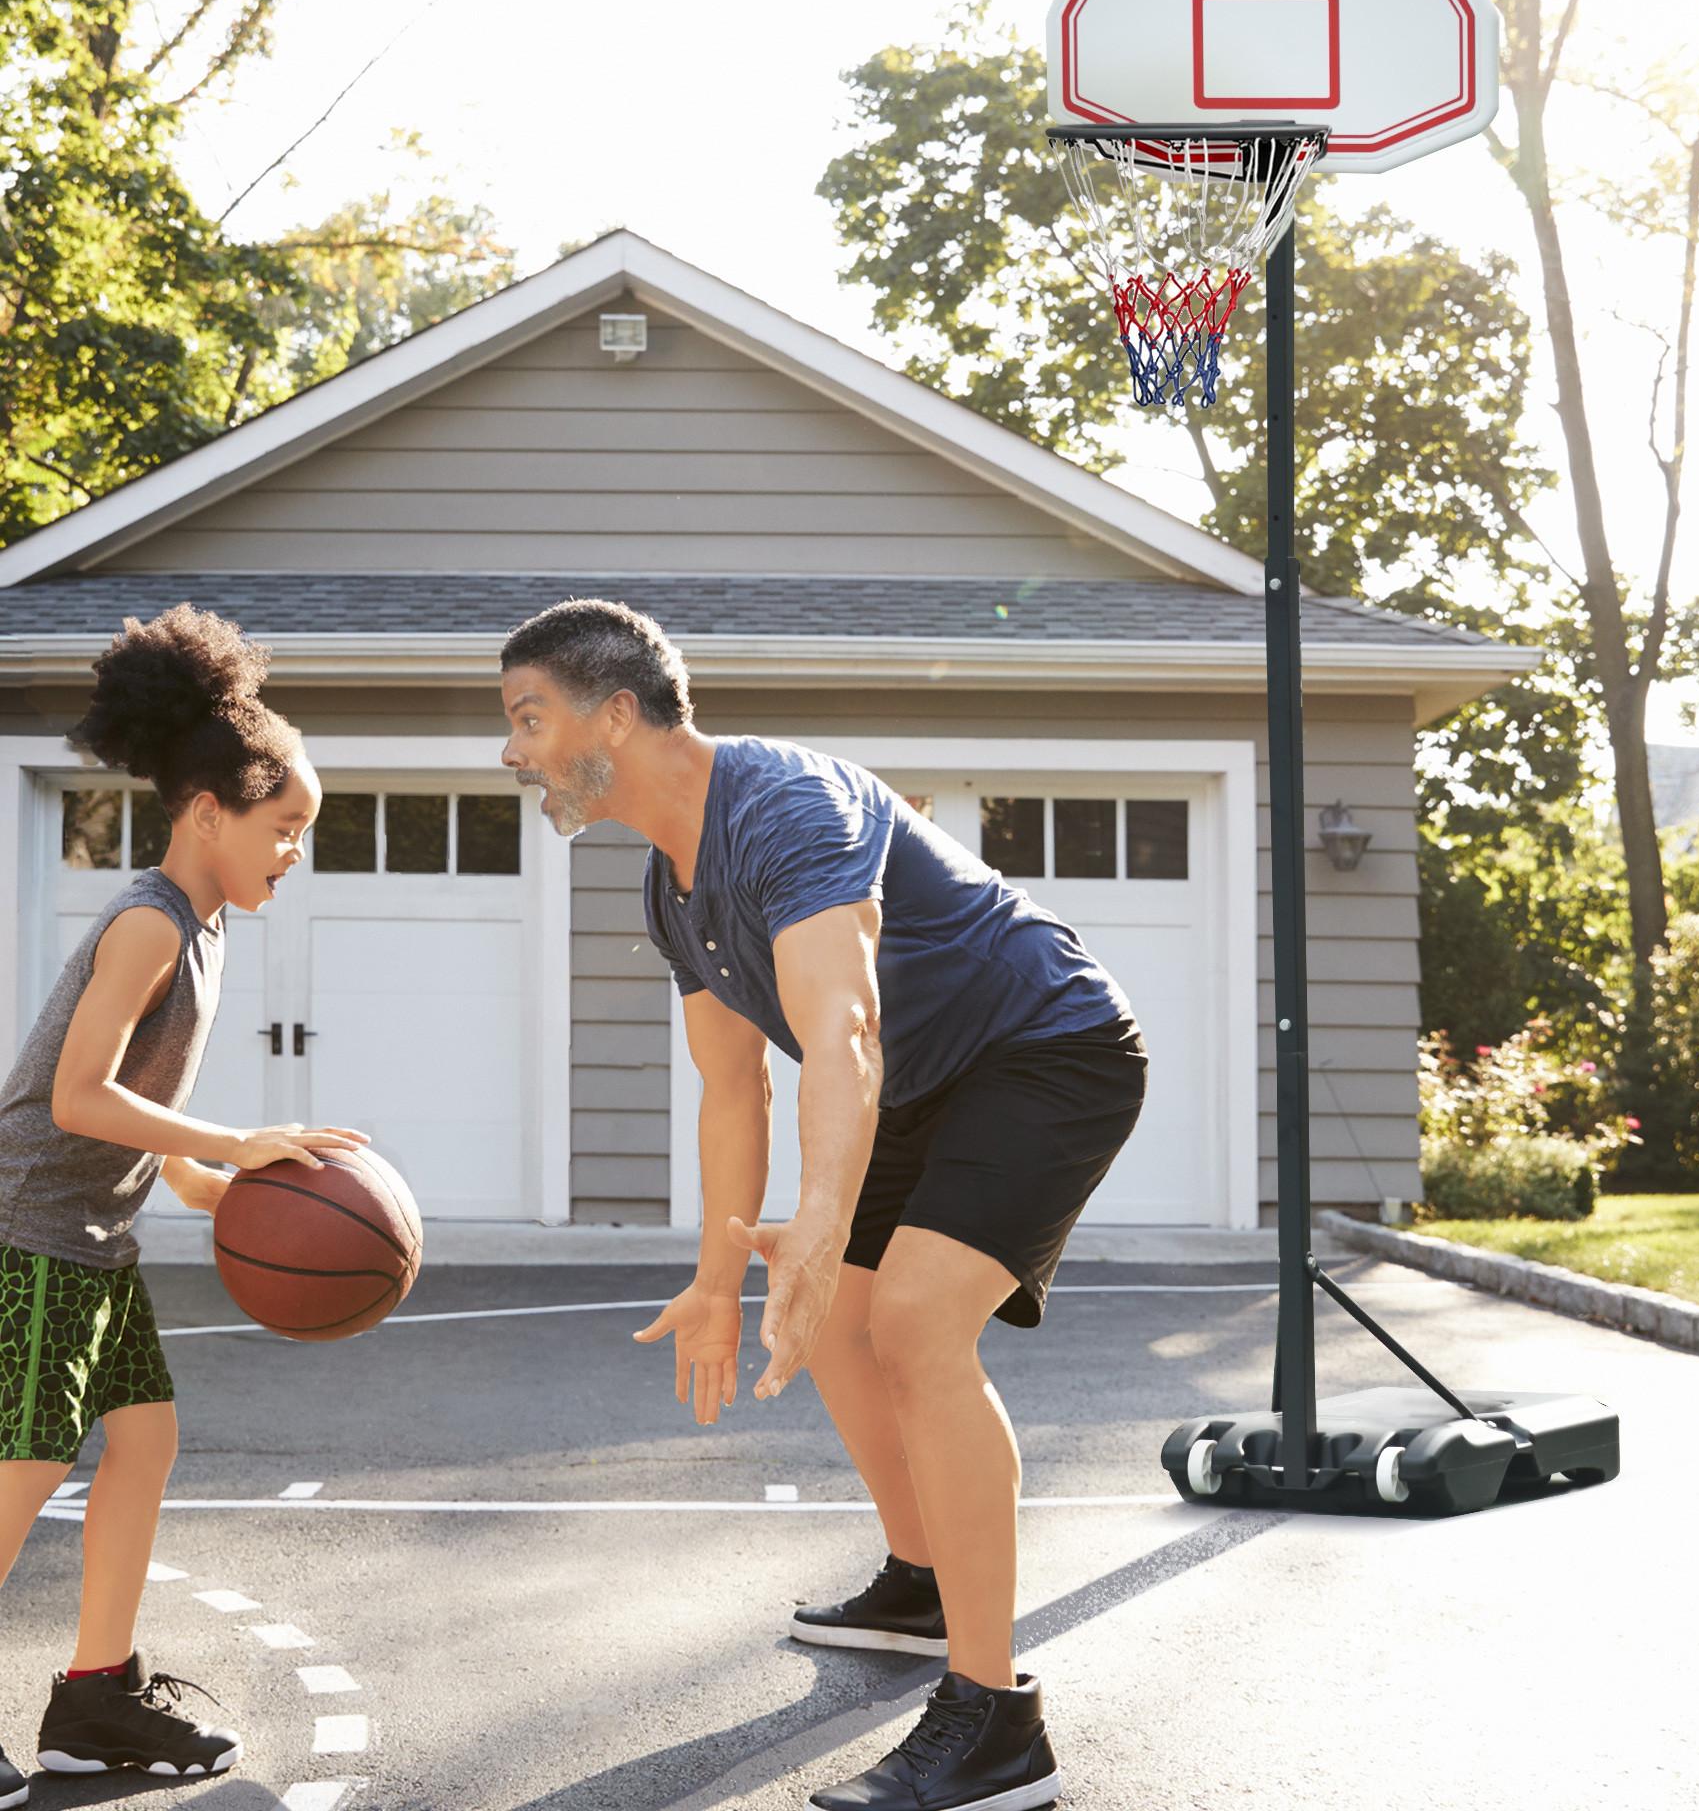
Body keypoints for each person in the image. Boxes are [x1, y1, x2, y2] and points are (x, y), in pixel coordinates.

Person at [499, 597, 1146, 1811]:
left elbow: (841, 1031)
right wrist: (714, 1276)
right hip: (921, 1077)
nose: (511, 749)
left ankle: (997, 1719)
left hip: (1045, 1044)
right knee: (840, 1324)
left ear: (617, 713)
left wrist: (817, 1221)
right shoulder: (670, 886)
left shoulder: (788, 806)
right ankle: (921, 1574)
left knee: (908, 1322)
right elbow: (731, 1088)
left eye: (527, 717)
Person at [0, 607, 368, 1803]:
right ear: (208, 809)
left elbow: (138, 1122)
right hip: (29, 1231)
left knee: (143, 1443)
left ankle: (93, 1696)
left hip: (94, 1237)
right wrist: (226, 1135)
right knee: (23, 1466)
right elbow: (74, 1094)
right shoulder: (150, 920)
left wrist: (228, 1176)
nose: (293, 851)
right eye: (284, 827)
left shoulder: (201, 932)